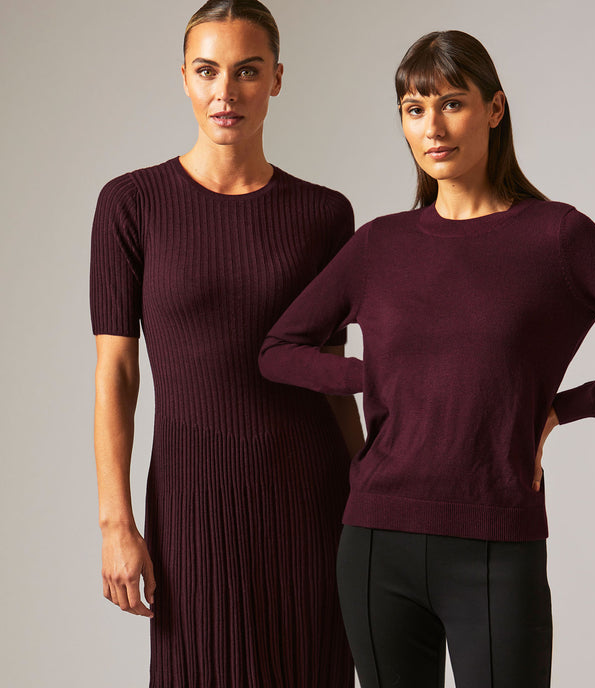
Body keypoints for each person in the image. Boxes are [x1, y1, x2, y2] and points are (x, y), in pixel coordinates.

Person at [258, 30, 595, 688]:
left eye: (451, 103)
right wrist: (371, 377)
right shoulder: (380, 245)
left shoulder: (557, 237)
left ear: (494, 109)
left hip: (497, 543)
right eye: (414, 110)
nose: (432, 127)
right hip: (376, 542)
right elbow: (278, 351)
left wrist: (561, 409)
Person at [90, 1, 358, 685]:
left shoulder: (324, 215)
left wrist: (371, 497)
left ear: (276, 79)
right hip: (191, 504)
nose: (225, 91)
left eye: (247, 71)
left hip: (310, 501)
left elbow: (332, 376)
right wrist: (117, 524)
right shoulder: (131, 205)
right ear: (183, 76)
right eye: (208, 70)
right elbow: (117, 373)